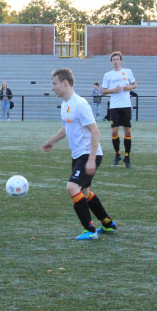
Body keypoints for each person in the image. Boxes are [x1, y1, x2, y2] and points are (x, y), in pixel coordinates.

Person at [42, 68, 117, 240]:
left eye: (54, 83)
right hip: (78, 155)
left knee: (72, 187)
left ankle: (89, 230)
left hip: (88, 153)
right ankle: (107, 223)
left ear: (65, 83)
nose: (52, 87)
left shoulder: (80, 104)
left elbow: (95, 131)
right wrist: (51, 141)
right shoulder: (65, 104)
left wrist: (91, 159)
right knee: (84, 191)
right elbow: (66, 128)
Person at [102, 51, 137, 168]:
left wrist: (129, 87)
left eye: (117, 59)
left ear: (121, 61)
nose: (116, 61)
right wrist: (113, 90)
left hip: (126, 105)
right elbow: (103, 91)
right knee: (114, 131)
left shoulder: (127, 72)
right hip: (114, 106)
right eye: (113, 60)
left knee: (128, 131)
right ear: (111, 62)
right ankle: (117, 154)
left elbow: (135, 84)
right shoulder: (108, 75)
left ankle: (127, 157)